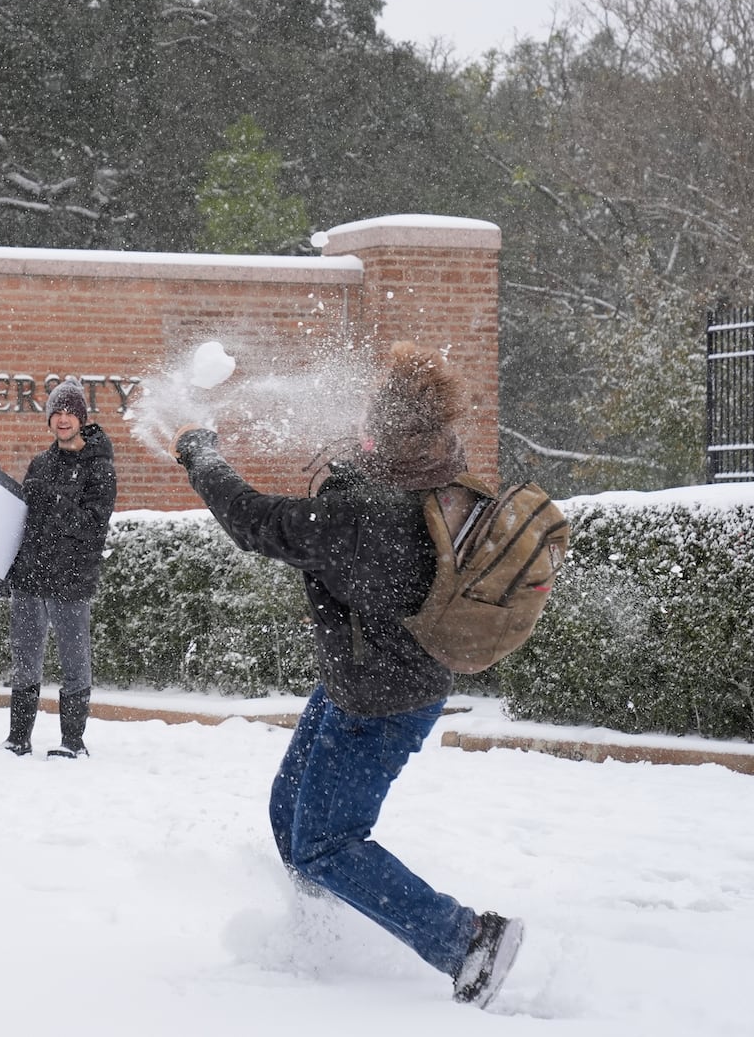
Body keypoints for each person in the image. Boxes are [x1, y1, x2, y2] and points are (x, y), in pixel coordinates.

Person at [170, 342, 524, 1008]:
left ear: (392, 425)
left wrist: (202, 457)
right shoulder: (434, 473)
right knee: (289, 811)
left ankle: (468, 939)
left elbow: (258, 523)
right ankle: (322, 931)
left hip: (381, 700)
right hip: (366, 678)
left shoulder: (370, 511)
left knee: (327, 840)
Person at [0, 376, 117, 758]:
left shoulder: (99, 468)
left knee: (74, 660)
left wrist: (52, 500)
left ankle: (72, 742)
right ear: (49, 419)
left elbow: (92, 524)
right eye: (57, 412)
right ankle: (18, 738)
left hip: (71, 577)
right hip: (31, 576)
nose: (63, 419)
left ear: (81, 418)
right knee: (25, 660)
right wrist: (5, 569)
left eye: (70, 412)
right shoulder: (42, 462)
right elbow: (22, 525)